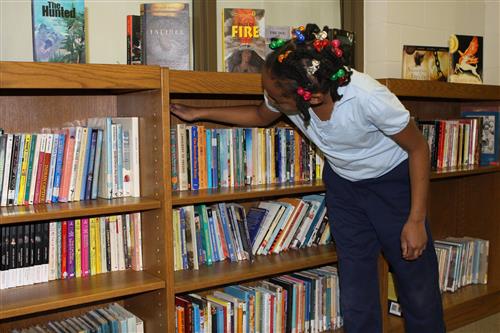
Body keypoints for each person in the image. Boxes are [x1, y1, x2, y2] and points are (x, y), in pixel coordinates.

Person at [171, 23, 445, 333]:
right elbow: (260, 116)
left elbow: (419, 148)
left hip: (392, 183)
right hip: (344, 186)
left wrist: (416, 220)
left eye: (275, 96)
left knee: (415, 282)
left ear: (310, 97)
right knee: (356, 285)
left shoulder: (367, 96)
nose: (269, 99)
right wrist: (198, 113)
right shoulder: (290, 88)